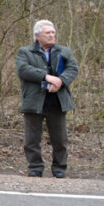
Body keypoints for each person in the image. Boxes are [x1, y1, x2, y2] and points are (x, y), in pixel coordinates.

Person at [16, 20, 79, 178]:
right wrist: (46, 77)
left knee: (60, 139)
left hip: (57, 101)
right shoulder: (25, 52)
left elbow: (73, 68)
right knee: (32, 139)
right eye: (48, 33)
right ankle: (35, 167)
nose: (52, 35)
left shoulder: (64, 51)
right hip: (34, 100)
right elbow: (23, 70)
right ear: (37, 36)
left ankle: (59, 168)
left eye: (53, 32)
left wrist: (60, 81)